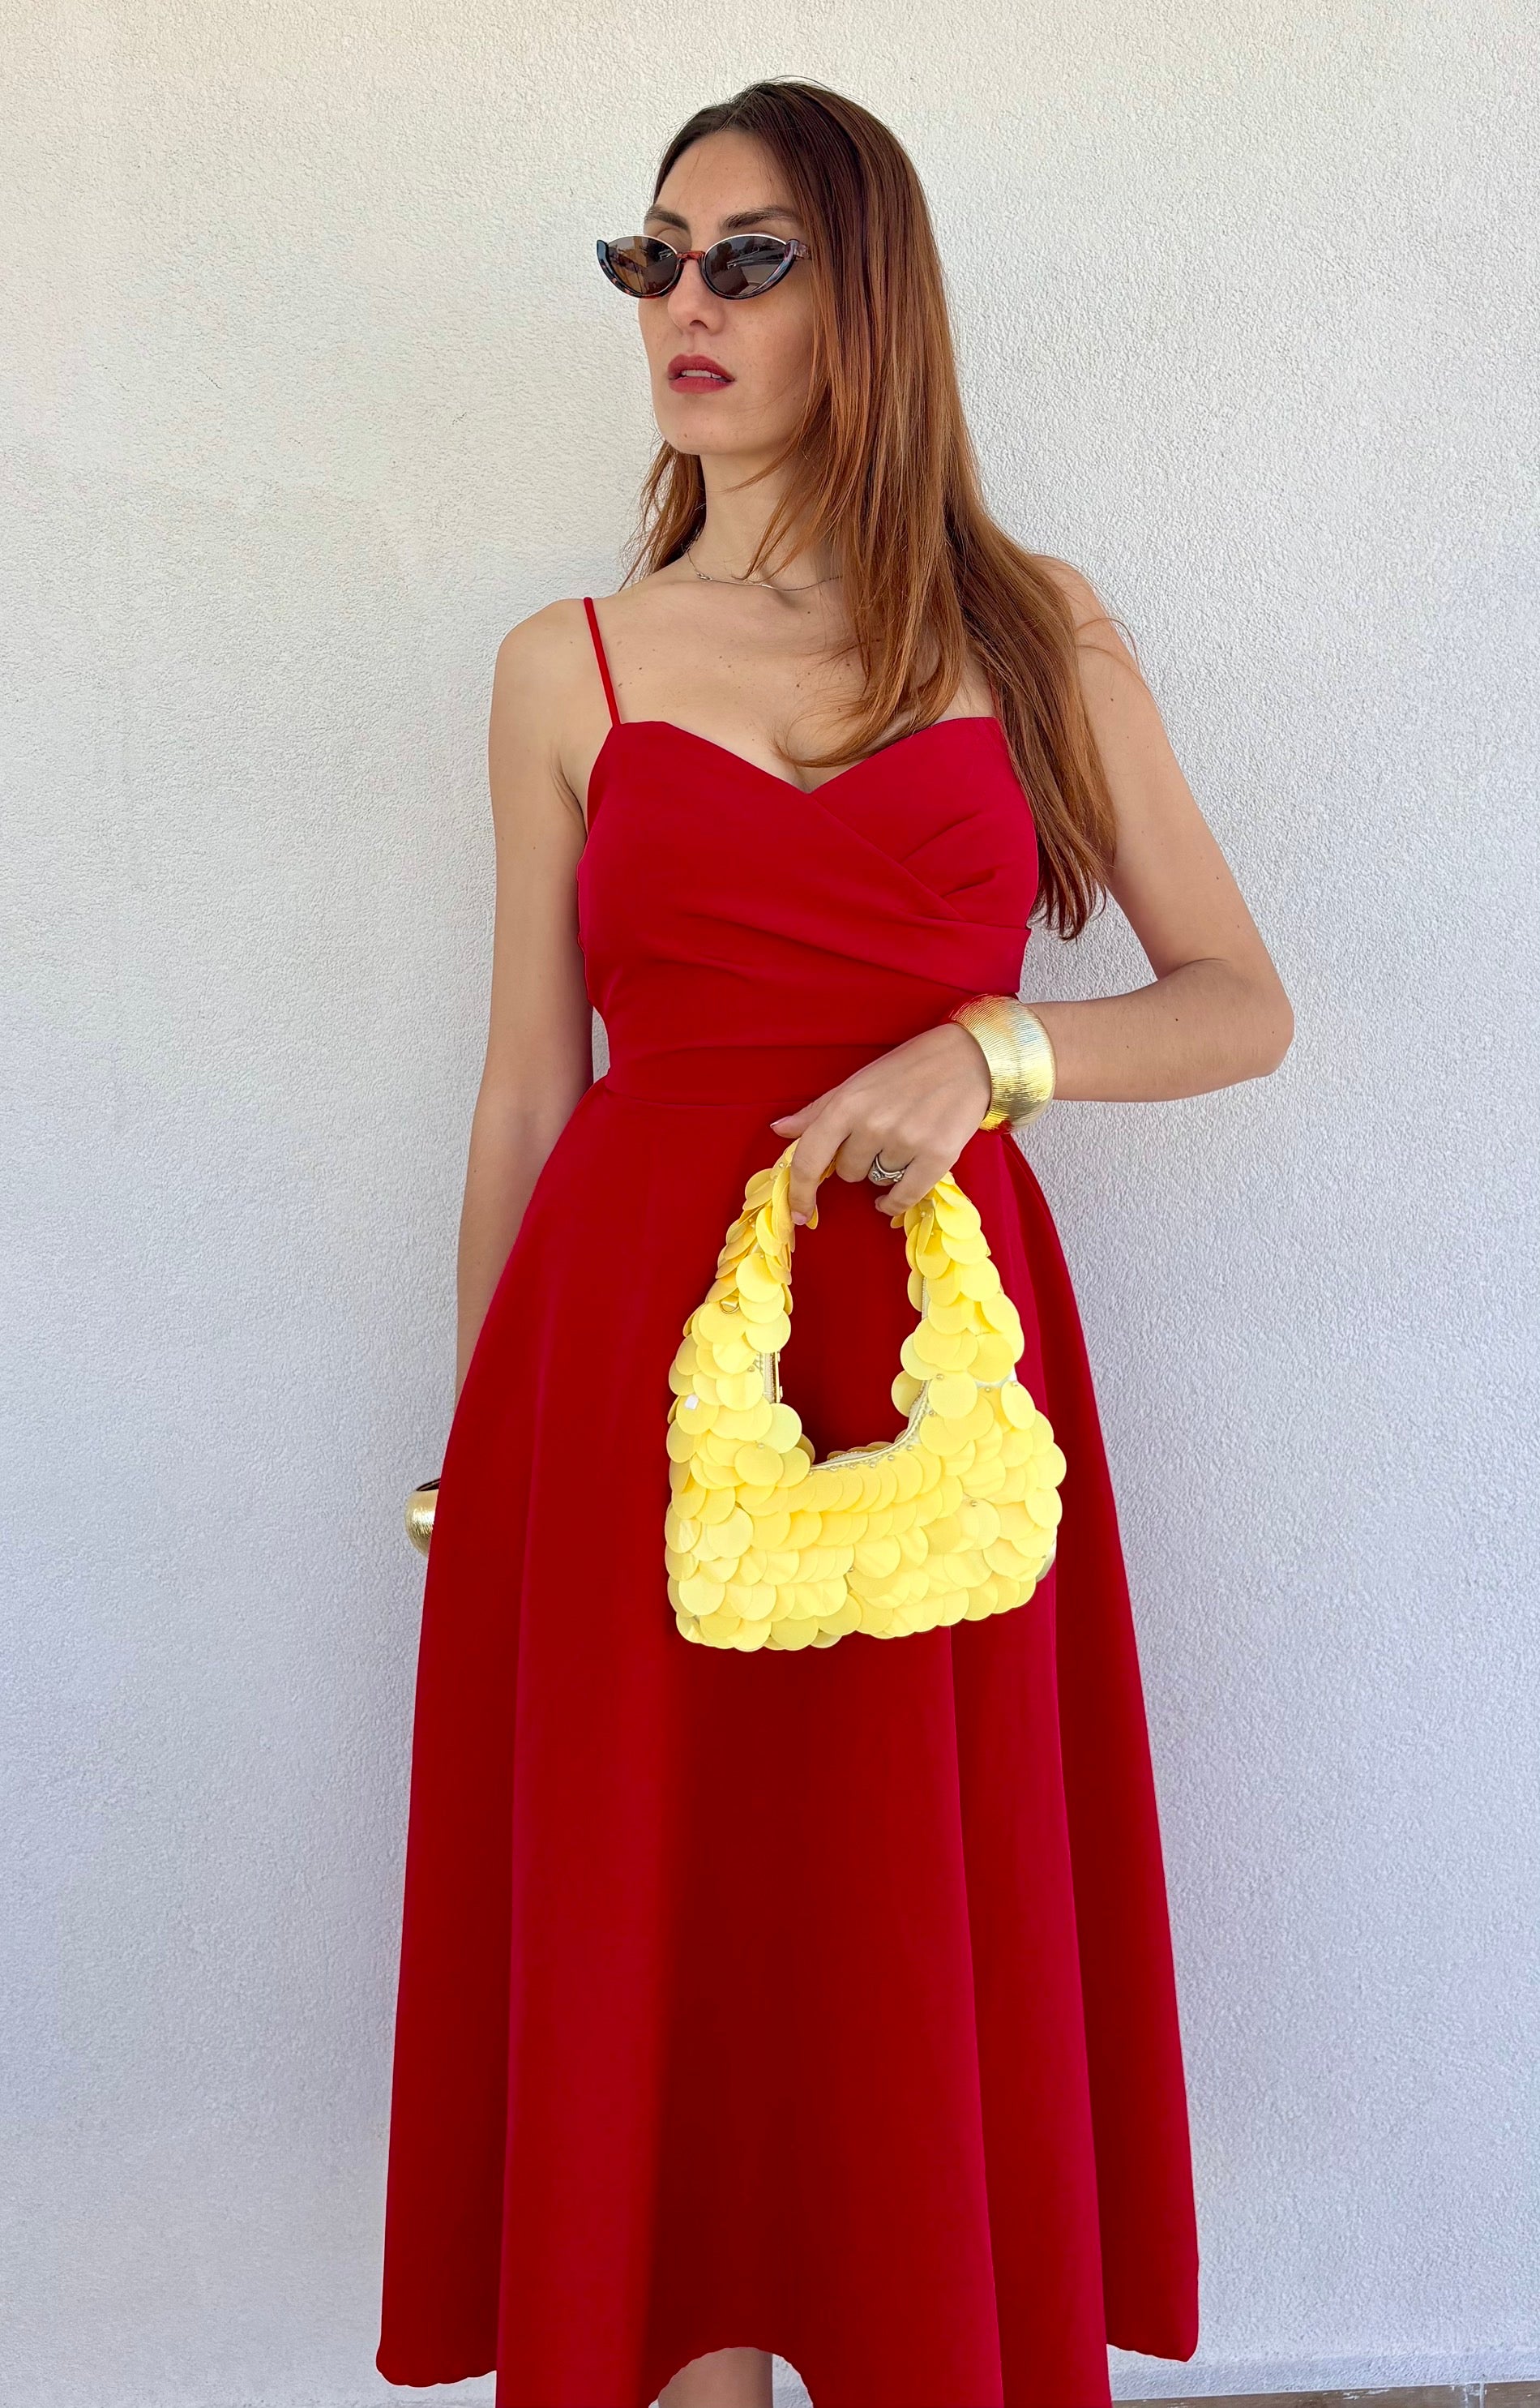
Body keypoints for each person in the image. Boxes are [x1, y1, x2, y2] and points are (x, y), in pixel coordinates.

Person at [374, 77, 1293, 2408]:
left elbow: (1237, 1003)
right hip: (628, 1379)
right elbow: (526, 1087)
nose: (679, 301)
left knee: (892, 1936)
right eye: (651, 258)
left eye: (747, 257)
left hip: (936, 1393)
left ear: (865, 298)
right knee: (657, 1938)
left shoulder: (1032, 631)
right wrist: (478, 1471)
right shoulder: (568, 666)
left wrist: (994, 1051)